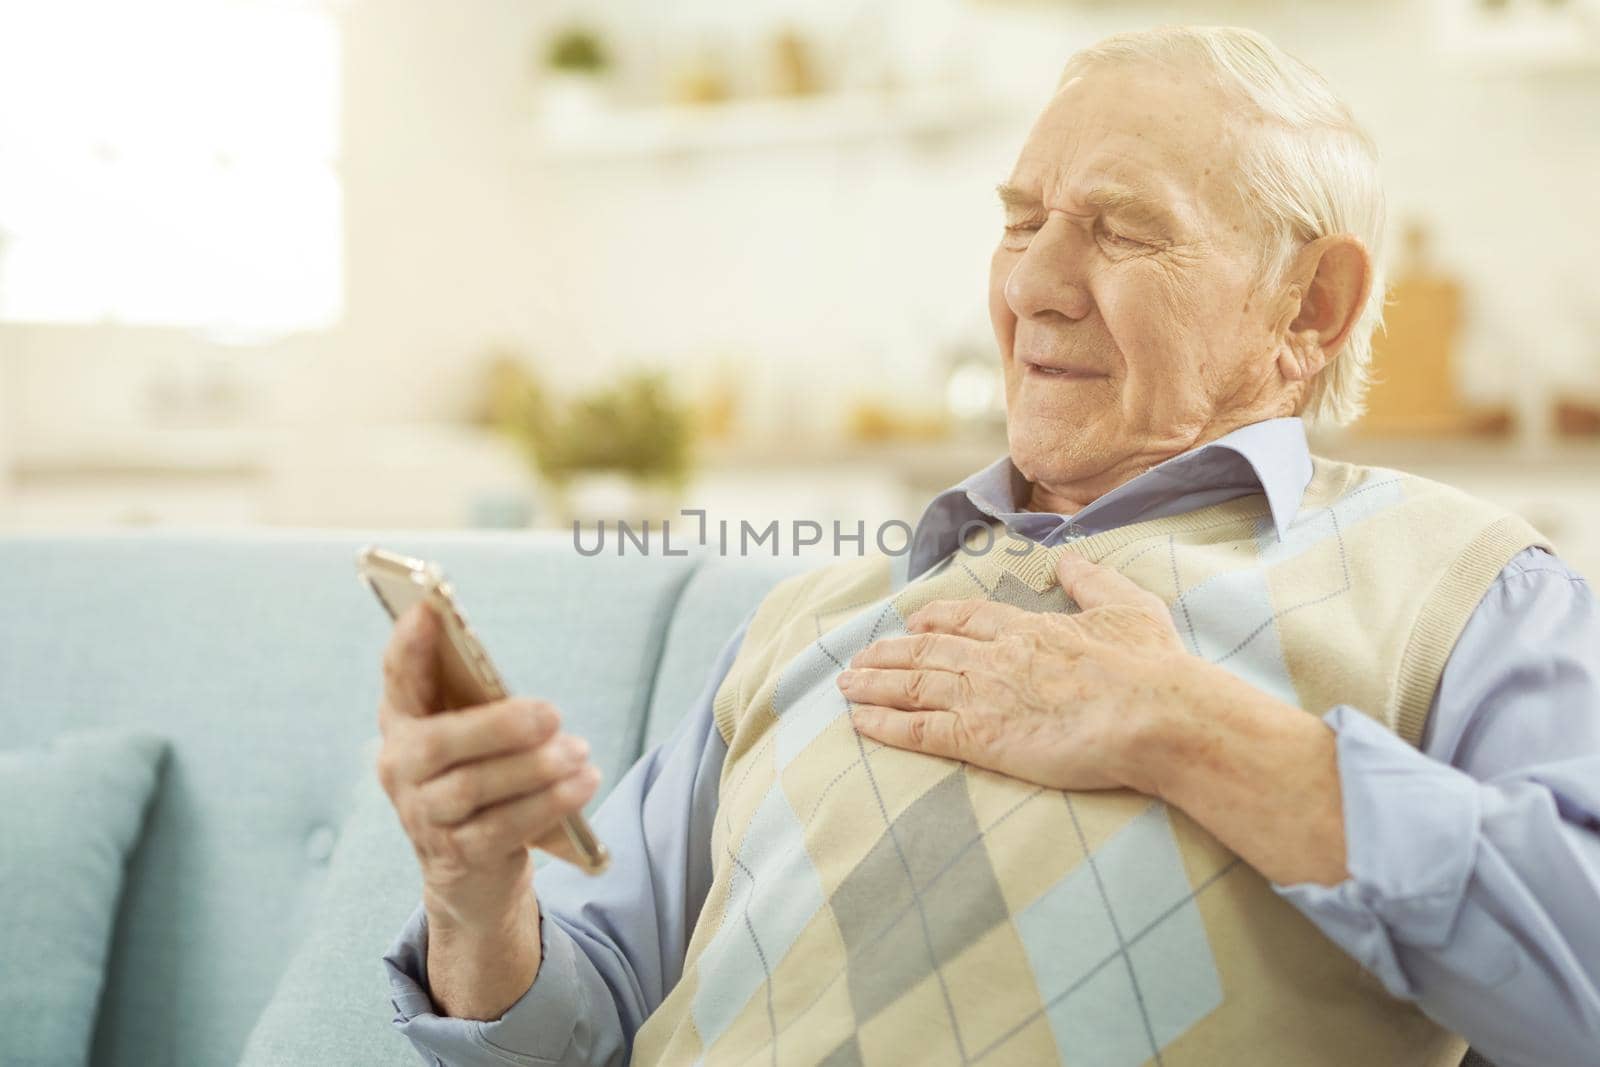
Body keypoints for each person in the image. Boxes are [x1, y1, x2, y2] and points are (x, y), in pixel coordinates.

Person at [376, 26, 1600, 1067]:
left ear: (1307, 308)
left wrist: (1190, 728)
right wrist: (475, 900)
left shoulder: (1462, 584)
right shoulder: (811, 609)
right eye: (1021, 223)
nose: (1036, 287)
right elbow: (576, 1021)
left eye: (1120, 232)